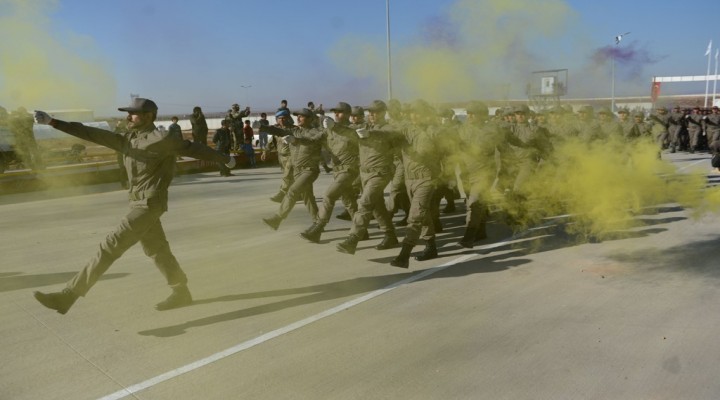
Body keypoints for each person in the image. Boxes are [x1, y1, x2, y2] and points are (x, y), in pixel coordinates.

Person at [31, 98, 236, 314]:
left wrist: (224, 158)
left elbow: (194, 148)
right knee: (157, 249)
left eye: (133, 114)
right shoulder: (127, 140)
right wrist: (53, 122)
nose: (128, 117)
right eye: (128, 113)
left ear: (148, 116)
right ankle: (181, 292)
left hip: (150, 204)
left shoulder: (161, 138)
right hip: (136, 203)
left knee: (111, 245)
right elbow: (90, 133)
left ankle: (68, 296)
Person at [336, 100, 400, 255]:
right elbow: (348, 131)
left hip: (380, 173)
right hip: (365, 173)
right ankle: (390, 235)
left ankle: (353, 239)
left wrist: (371, 134)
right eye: (370, 111)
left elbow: (387, 135)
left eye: (375, 111)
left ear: (384, 112)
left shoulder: (389, 128)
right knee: (378, 207)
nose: (371, 114)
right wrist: (333, 126)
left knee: (364, 203)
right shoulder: (363, 128)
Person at [300, 102, 360, 243]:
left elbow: (354, 136)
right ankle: (362, 231)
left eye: (339, 112)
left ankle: (318, 227)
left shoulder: (354, 128)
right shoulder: (328, 130)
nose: (336, 114)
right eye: (335, 112)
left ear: (347, 114)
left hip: (350, 169)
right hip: (337, 171)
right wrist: (296, 139)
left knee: (329, 195)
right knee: (349, 201)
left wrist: (335, 127)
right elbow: (313, 139)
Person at [260, 108, 324, 230]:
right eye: (298, 116)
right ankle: (318, 223)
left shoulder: (315, 132)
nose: (299, 118)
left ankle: (277, 218)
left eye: (302, 116)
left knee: (292, 191)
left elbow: (312, 141)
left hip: (309, 170)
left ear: (310, 119)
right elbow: (279, 131)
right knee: (308, 197)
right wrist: (264, 127)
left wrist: (296, 140)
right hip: (297, 171)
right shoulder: (295, 131)